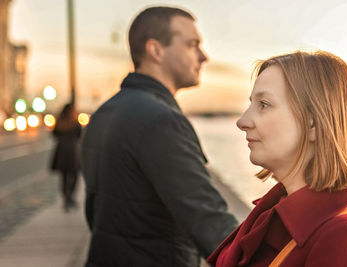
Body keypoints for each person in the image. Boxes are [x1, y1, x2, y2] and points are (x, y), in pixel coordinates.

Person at [81, 6, 238, 267]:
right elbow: (210, 223)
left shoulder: (104, 114)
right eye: (192, 45)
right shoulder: (162, 121)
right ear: (155, 50)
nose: (204, 56)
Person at [207, 51, 347, 267]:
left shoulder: (346, 235)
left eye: (263, 104)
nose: (243, 121)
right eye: (251, 103)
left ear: (314, 125)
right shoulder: (272, 212)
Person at [51, 103, 82, 211]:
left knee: (64, 177)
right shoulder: (75, 121)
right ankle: (71, 196)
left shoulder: (60, 121)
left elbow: (54, 134)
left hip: (62, 150)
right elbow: (80, 134)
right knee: (75, 175)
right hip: (73, 150)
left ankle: (66, 197)